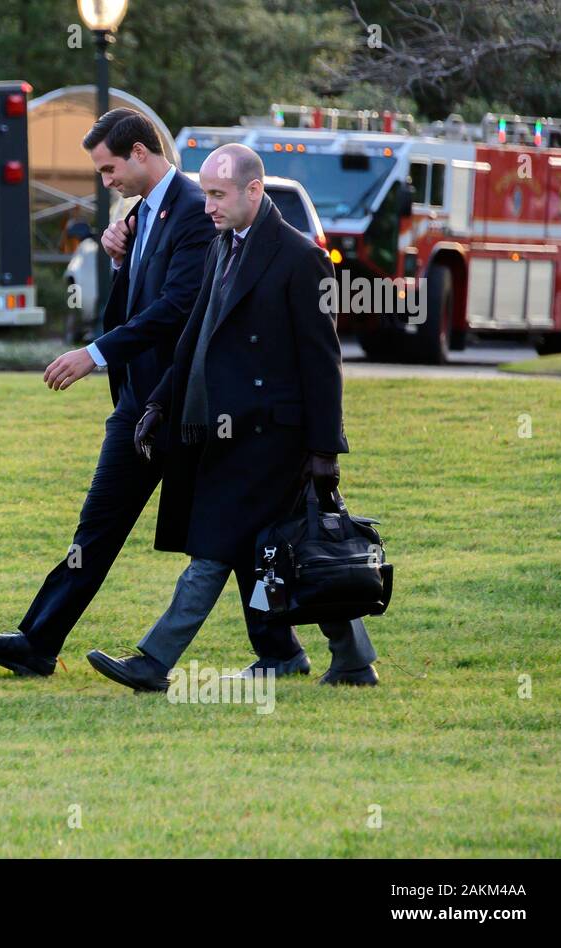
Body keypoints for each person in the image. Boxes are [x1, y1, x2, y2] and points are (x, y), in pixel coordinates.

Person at [86, 143, 380, 693]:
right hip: (225, 432)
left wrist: (324, 451)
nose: (208, 206)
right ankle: (328, 658)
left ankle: (154, 662)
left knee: (214, 549)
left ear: (253, 190)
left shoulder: (301, 257)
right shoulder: (223, 245)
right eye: (206, 194)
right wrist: (158, 403)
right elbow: (195, 337)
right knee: (281, 548)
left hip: (277, 439)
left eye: (218, 195)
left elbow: (324, 362)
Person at [0, 108, 215, 676]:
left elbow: (179, 309)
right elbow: (138, 300)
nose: (105, 182)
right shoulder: (140, 214)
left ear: (142, 154)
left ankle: (296, 647)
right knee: (96, 528)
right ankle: (37, 643)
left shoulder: (194, 210)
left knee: (232, 530)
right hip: (138, 405)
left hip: (182, 405)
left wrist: (93, 353)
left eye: (107, 169)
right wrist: (122, 260)